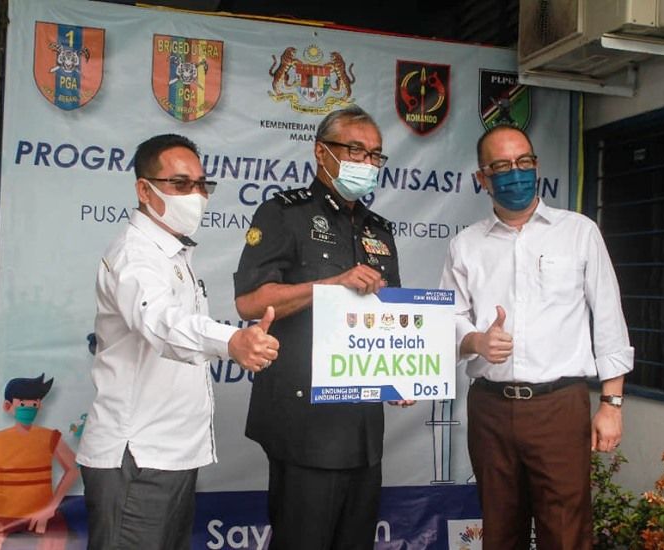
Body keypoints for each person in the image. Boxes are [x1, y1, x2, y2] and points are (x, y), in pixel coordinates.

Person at [76, 133, 279, 550]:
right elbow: (161, 323)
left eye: (202, 184)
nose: (196, 196)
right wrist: (231, 341)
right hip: (137, 456)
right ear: (144, 189)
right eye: (181, 184)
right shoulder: (136, 255)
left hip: (169, 454)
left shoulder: (173, 253)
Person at [440, 124, 634, 548]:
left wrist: (612, 404)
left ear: (536, 165)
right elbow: (449, 317)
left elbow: (608, 318)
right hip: (490, 408)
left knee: (566, 531)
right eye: (502, 166)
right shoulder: (465, 245)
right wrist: (476, 341)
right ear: (482, 178)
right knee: (499, 529)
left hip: (558, 405)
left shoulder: (579, 232)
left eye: (523, 162)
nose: (516, 173)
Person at [234, 106, 409, 549]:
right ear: (321, 152)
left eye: (374, 154)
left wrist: (401, 373)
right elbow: (249, 301)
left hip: (363, 430)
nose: (367, 162)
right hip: (304, 426)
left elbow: (389, 318)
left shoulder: (379, 230)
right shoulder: (283, 213)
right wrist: (330, 285)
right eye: (355, 150)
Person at [0, 374, 79, 550]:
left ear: (40, 405)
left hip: (41, 518)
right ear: (7, 406)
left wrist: (50, 508)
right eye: (23, 404)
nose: (29, 408)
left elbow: (73, 469)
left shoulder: (49, 436)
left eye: (34, 404)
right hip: (2, 516)